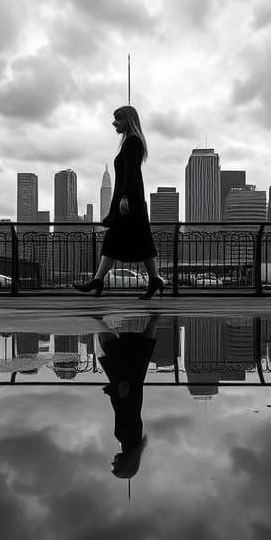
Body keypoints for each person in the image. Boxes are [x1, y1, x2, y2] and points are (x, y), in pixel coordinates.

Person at [73, 105, 165, 299]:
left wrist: (124, 198)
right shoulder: (131, 142)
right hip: (132, 202)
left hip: (130, 203)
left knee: (119, 241)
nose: (114, 123)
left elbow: (131, 173)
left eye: (118, 119)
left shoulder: (132, 142)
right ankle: (153, 279)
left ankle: (99, 280)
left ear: (128, 120)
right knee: (140, 242)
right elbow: (129, 174)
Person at [98, 315, 159, 492]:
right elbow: (129, 414)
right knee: (115, 353)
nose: (112, 462)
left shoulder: (132, 444)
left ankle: (154, 320)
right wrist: (123, 393)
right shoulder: (128, 440)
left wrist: (113, 393)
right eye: (115, 466)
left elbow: (127, 413)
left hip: (129, 392)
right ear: (124, 463)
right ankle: (99, 321)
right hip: (127, 391)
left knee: (138, 356)